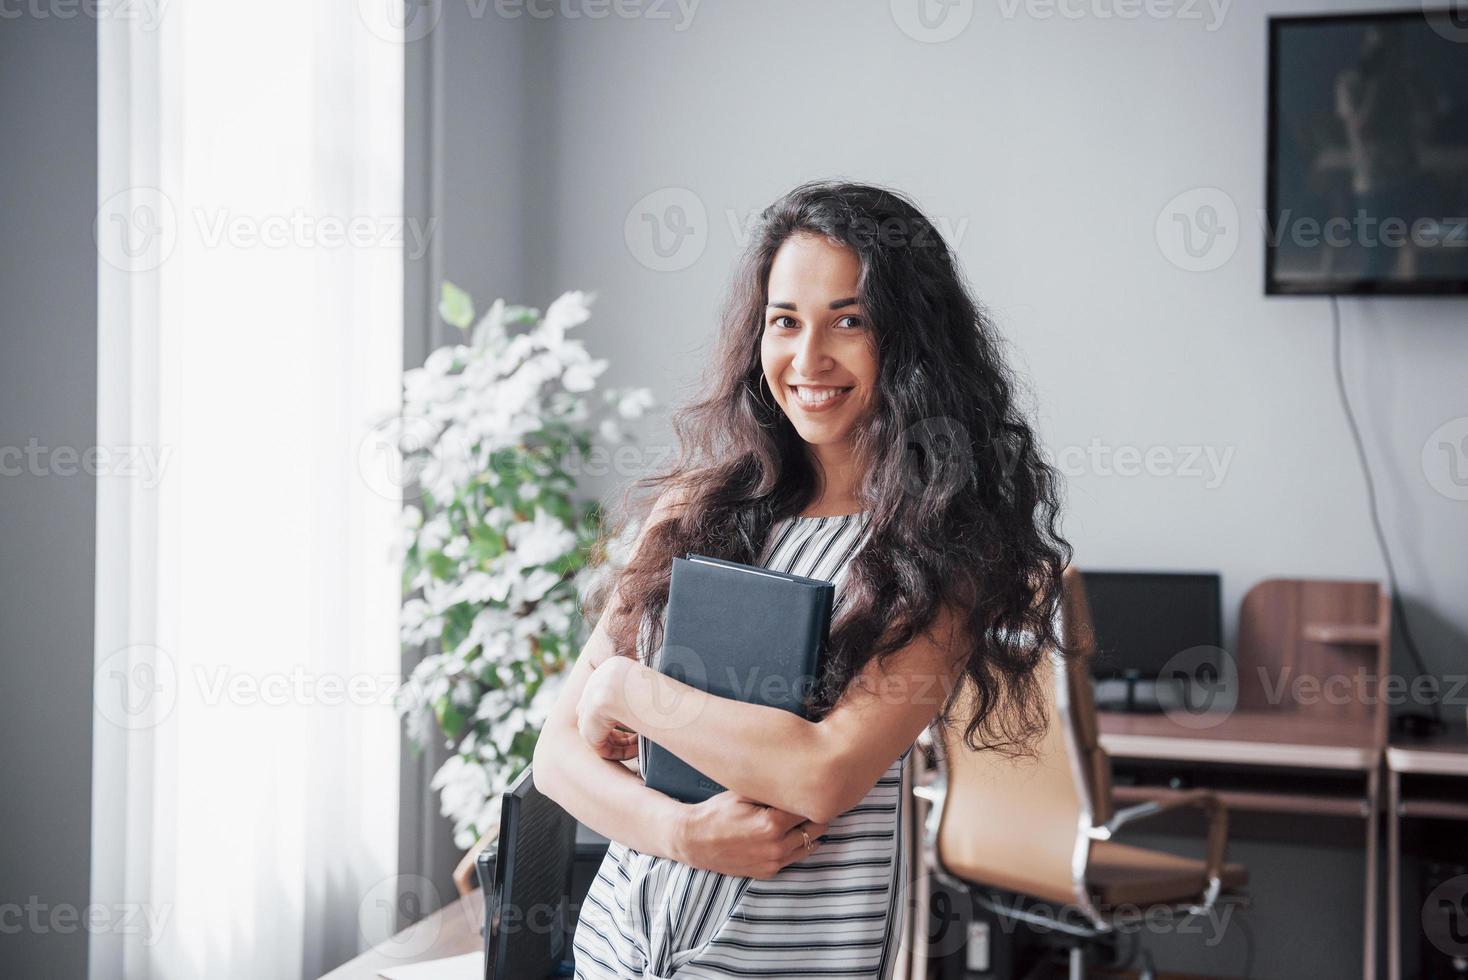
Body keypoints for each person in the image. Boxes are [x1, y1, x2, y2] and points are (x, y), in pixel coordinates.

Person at [532, 179, 1072, 979]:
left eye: (848, 322)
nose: (808, 358)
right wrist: (682, 834)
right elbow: (556, 757)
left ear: (910, 341)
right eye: (785, 322)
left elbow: (821, 773)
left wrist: (630, 692)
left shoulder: (948, 550)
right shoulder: (694, 509)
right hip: (615, 955)